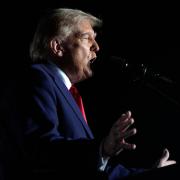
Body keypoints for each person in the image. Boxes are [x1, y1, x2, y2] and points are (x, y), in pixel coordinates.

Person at [17, 8, 176, 180]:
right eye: (87, 38)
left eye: (96, 39)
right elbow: (41, 149)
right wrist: (102, 149)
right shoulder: (38, 78)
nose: (97, 47)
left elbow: (100, 170)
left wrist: (153, 173)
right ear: (58, 47)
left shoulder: (70, 94)